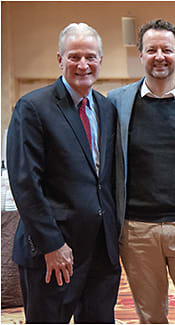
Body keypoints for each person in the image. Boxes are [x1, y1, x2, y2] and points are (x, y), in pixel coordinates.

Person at [7, 23, 120, 323]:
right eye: (74, 57)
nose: (83, 64)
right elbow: (25, 183)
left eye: (90, 57)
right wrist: (52, 244)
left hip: (100, 254)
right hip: (55, 254)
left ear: (100, 60)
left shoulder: (106, 109)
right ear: (60, 59)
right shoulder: (33, 107)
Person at [107, 19, 175, 323]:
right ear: (140, 55)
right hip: (137, 230)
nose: (159, 56)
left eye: (166, 49)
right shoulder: (116, 103)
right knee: (151, 317)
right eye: (151, 49)